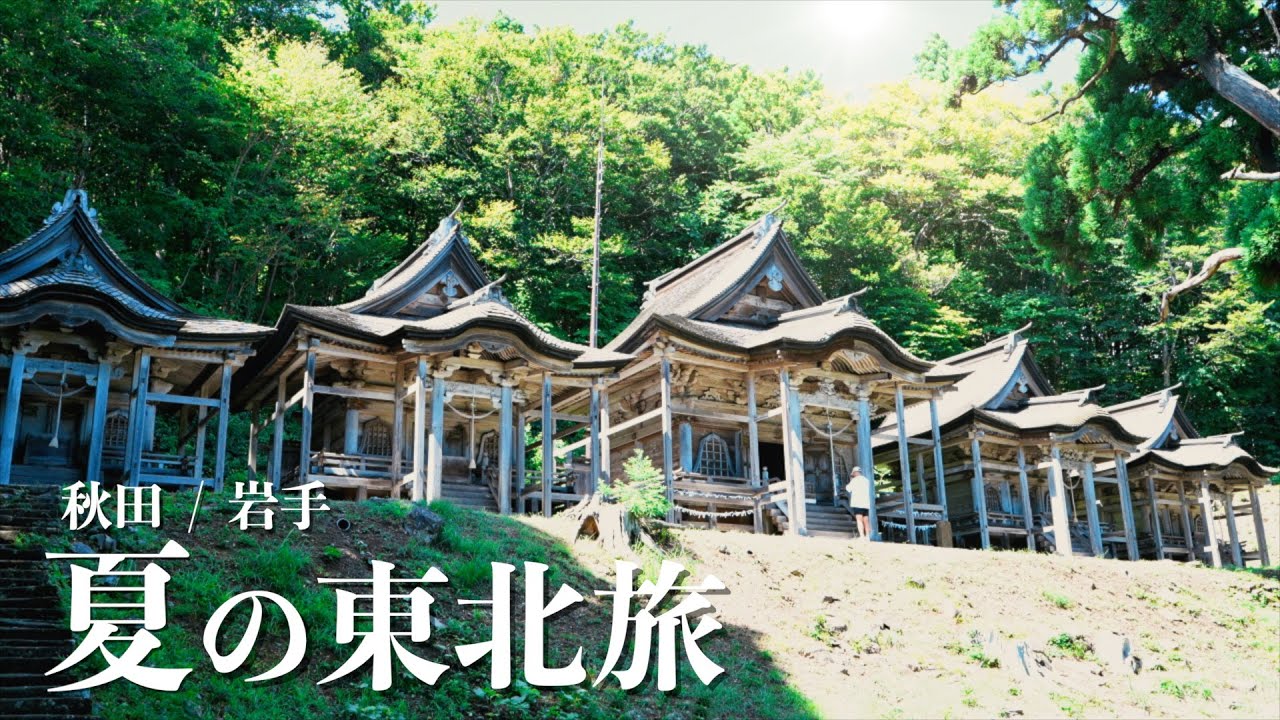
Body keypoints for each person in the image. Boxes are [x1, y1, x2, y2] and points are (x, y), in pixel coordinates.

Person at [846, 467, 872, 540]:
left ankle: (862, 536)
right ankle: (868, 536)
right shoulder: (866, 480)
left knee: (859, 520)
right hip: (866, 503)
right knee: (866, 520)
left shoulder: (854, 480)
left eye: (853, 473)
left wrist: (851, 480)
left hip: (858, 502)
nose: (853, 475)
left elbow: (848, 489)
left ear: (855, 472)